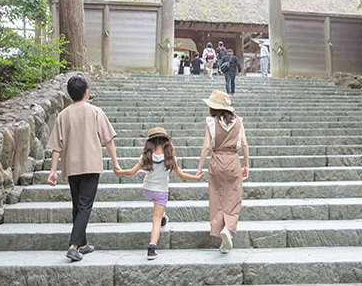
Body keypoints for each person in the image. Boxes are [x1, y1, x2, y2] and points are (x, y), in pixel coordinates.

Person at [46, 75, 121, 262]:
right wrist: (115, 162)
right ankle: (73, 246)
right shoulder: (95, 112)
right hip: (91, 165)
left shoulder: (63, 115)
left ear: (70, 94)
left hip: (71, 166)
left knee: (77, 205)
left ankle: (83, 244)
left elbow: (57, 146)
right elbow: (108, 140)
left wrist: (53, 171)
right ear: (86, 92)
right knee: (85, 205)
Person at [115, 127, 203, 259]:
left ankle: (163, 216)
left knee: (159, 214)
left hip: (148, 190)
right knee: (156, 219)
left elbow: (132, 172)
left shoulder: (145, 156)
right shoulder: (171, 157)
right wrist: (196, 178)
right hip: (161, 192)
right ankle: (152, 248)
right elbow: (181, 175)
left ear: (150, 142)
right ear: (166, 141)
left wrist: (119, 171)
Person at [196, 91, 249, 254]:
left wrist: (199, 167)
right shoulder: (238, 121)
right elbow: (245, 144)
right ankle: (228, 229)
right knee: (233, 198)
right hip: (233, 160)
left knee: (217, 197)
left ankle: (222, 236)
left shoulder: (211, 122)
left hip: (217, 160)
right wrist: (246, 164)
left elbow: (206, 146)